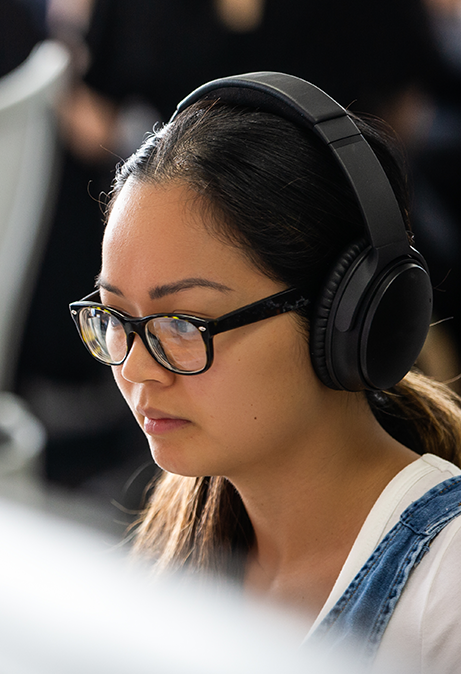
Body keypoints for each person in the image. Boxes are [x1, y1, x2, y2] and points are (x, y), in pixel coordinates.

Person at [68, 72, 461, 671]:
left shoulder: (446, 587)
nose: (139, 369)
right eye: (115, 317)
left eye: (185, 323)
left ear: (346, 319)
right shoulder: (183, 534)